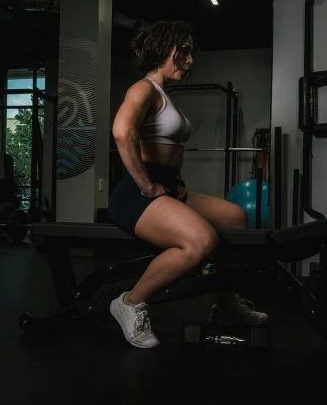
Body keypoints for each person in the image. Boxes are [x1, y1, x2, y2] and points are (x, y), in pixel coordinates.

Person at [109, 20, 268, 348]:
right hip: (136, 195)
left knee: (236, 218)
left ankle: (226, 305)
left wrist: (171, 185)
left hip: (166, 188)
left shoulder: (165, 94)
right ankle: (130, 302)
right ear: (164, 49)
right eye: (184, 51)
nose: (191, 59)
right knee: (201, 242)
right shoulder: (143, 89)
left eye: (191, 53)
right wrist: (148, 186)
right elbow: (122, 132)